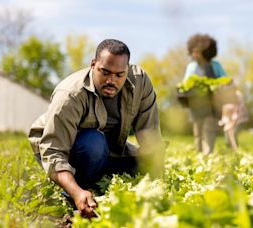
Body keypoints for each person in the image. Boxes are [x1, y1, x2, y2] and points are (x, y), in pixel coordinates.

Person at [28, 39, 165, 218]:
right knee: (93, 143)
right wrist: (77, 192)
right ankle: (75, 193)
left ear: (127, 69)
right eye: (105, 72)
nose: (111, 80)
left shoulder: (140, 82)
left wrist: (158, 182)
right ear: (93, 65)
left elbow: (150, 136)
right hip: (71, 150)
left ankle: (94, 181)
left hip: (110, 151)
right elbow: (54, 152)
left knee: (143, 164)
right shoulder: (70, 95)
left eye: (119, 75)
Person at [182, 33, 226, 154]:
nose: (194, 54)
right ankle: (199, 153)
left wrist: (217, 85)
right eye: (193, 51)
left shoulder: (215, 66)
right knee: (198, 132)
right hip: (196, 105)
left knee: (209, 130)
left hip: (212, 105)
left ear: (206, 52)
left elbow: (224, 79)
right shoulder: (191, 67)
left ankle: (208, 154)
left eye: (198, 52)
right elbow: (185, 83)